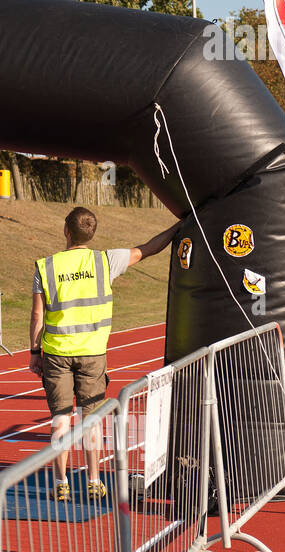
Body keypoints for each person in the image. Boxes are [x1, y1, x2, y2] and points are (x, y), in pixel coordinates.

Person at [29, 207, 178, 502]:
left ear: (66, 231)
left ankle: (61, 483)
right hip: (93, 354)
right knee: (91, 419)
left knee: (60, 419)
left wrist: (35, 352)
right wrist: (178, 226)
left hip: (57, 354)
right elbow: (148, 248)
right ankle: (94, 480)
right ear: (92, 233)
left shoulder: (45, 267)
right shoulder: (106, 261)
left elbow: (37, 314)